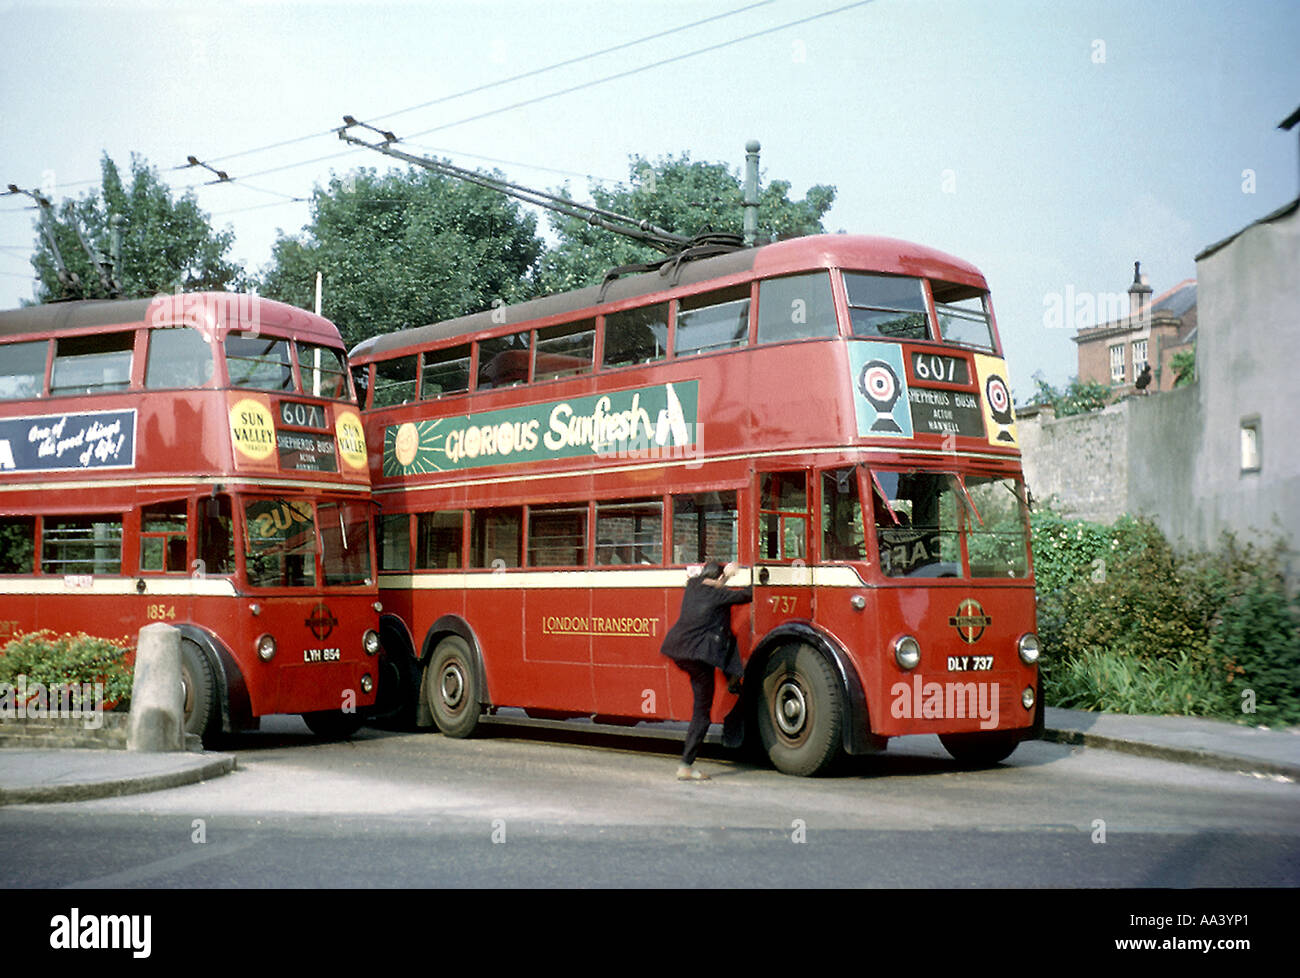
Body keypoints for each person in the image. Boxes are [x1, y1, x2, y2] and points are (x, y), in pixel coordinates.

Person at [659, 560, 752, 781]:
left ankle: (732, 676)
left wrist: (724, 577)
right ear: (718, 579)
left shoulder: (693, 586)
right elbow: (747, 595)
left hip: (678, 650)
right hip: (700, 657)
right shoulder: (720, 596)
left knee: (727, 638)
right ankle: (686, 766)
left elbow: (708, 582)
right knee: (702, 714)